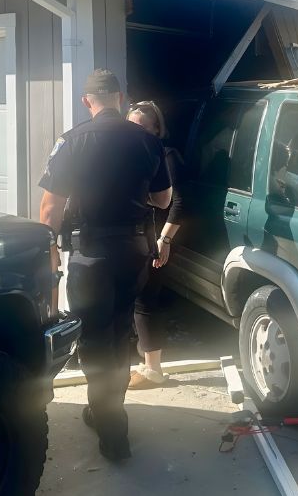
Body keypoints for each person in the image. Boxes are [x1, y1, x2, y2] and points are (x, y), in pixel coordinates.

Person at [38, 70, 171, 461]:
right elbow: (163, 200)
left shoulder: (71, 140)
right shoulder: (147, 140)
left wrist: (50, 250)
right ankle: (110, 413)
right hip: (132, 250)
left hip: (90, 251)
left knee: (95, 339)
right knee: (118, 331)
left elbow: (50, 207)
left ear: (87, 101)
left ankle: (111, 429)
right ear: (120, 97)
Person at [125, 101, 187, 389]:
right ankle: (145, 362)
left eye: (141, 127)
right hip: (133, 236)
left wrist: (165, 239)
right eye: (131, 125)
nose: (135, 131)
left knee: (146, 301)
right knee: (136, 301)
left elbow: (179, 202)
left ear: (156, 129)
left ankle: (154, 370)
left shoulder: (167, 155)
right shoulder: (127, 153)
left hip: (155, 238)